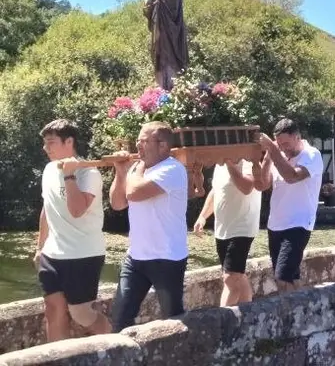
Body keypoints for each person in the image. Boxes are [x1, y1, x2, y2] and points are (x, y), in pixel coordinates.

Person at [109, 121, 189, 332]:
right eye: (137, 141)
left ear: (163, 145)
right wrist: (120, 172)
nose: (138, 147)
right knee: (119, 319)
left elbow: (134, 192)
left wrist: (136, 169)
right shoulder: (136, 169)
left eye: (143, 141)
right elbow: (117, 203)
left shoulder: (173, 169)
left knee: (173, 320)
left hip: (166, 257)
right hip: (136, 257)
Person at [35, 119, 110, 341]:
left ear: (69, 142)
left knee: (80, 313)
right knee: (53, 309)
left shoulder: (89, 173)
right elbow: (47, 209)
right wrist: (40, 247)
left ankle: (113, 343)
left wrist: (69, 175)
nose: (45, 148)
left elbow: (76, 210)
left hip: (83, 254)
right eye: (45, 143)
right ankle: (56, 358)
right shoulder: (49, 170)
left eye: (51, 143)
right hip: (52, 254)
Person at [256, 119, 323, 292]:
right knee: (291, 277)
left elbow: (292, 176)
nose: (283, 148)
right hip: (275, 225)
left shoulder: (311, 154)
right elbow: (263, 184)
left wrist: (272, 149)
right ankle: (301, 313)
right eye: (280, 144)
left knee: (282, 276)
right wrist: (268, 158)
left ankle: (289, 316)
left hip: (299, 224)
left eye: (286, 143)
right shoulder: (278, 156)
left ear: (298, 136)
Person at [193, 156, 267, 306]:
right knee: (237, 276)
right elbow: (216, 191)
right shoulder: (219, 166)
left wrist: (229, 163)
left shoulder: (247, 162)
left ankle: (222, 323)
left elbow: (247, 187)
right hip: (223, 229)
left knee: (230, 278)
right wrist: (202, 216)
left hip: (242, 228)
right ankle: (248, 315)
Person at [143, 0, 189, 90]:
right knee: (160, 55)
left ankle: (174, 86)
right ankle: (162, 87)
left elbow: (173, 0)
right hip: (159, 27)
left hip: (172, 29)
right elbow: (146, 7)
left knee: (170, 54)